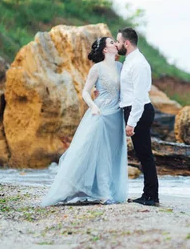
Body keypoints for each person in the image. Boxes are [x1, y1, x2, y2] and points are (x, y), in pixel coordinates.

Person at [40, 37, 128, 206]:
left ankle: (109, 190)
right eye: (111, 42)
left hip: (116, 116)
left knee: (113, 154)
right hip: (100, 114)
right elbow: (85, 92)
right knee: (100, 153)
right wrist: (93, 106)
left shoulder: (120, 67)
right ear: (104, 49)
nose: (115, 44)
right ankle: (103, 194)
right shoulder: (97, 68)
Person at [116, 27, 160, 206]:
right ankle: (148, 194)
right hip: (133, 110)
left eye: (118, 41)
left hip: (139, 111)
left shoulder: (139, 64)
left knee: (145, 156)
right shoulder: (130, 61)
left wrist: (131, 122)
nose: (117, 44)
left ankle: (151, 196)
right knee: (143, 155)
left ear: (126, 43)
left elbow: (140, 97)